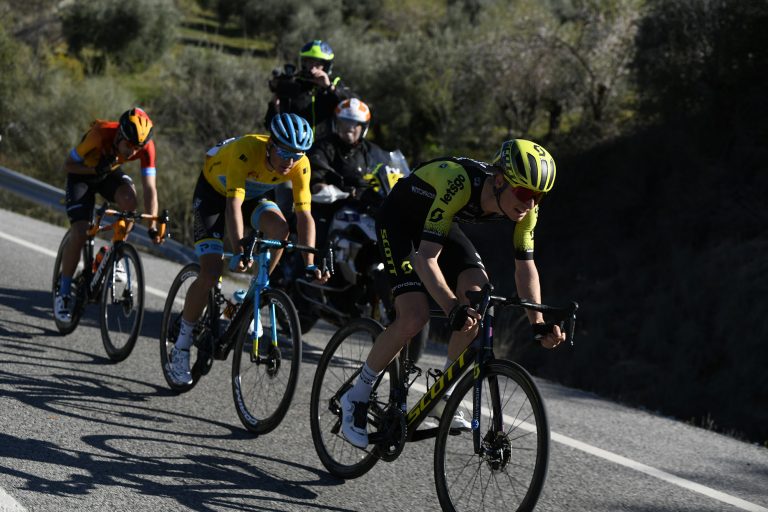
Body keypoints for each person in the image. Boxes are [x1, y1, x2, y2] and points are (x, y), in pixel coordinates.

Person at [339, 139, 567, 448]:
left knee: (478, 296)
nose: (530, 204)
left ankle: (441, 393)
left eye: (538, 197)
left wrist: (537, 322)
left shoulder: (526, 211)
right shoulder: (459, 182)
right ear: (499, 180)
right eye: (524, 193)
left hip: (440, 222)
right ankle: (357, 395)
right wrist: (450, 307)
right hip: (399, 222)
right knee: (415, 316)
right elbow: (425, 259)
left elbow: (525, 267)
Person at [166, 113, 327, 386]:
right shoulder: (246, 150)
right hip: (215, 196)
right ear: (270, 145)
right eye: (284, 153)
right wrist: (241, 248)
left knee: (281, 230)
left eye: (296, 155)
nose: (290, 162)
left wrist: (310, 261)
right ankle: (181, 343)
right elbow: (232, 206)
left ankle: (254, 291)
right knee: (210, 272)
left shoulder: (301, 163)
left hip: (254, 196)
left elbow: (305, 216)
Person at [54, 107, 163, 322]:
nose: (132, 152)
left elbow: (150, 188)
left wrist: (152, 224)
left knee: (130, 202)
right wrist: (94, 171)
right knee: (80, 231)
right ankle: (64, 293)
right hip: (82, 176)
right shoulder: (100, 134)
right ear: (120, 135)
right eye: (129, 146)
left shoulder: (146, 148)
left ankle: (115, 250)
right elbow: (68, 165)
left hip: (107, 173)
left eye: (137, 147)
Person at [308, 98, 391, 250]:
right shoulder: (324, 147)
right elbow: (316, 175)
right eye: (344, 122)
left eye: (355, 123)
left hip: (364, 206)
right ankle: (307, 269)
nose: (350, 128)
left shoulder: (372, 151)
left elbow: (390, 170)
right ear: (336, 123)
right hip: (331, 206)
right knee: (315, 239)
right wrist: (327, 189)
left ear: (364, 127)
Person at [265, 39, 355, 141]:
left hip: (326, 150)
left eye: (317, 64)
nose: (312, 69)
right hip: (296, 147)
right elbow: (269, 125)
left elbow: (354, 106)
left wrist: (330, 87)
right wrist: (275, 108)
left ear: (326, 66)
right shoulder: (294, 84)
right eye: (309, 63)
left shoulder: (335, 84)